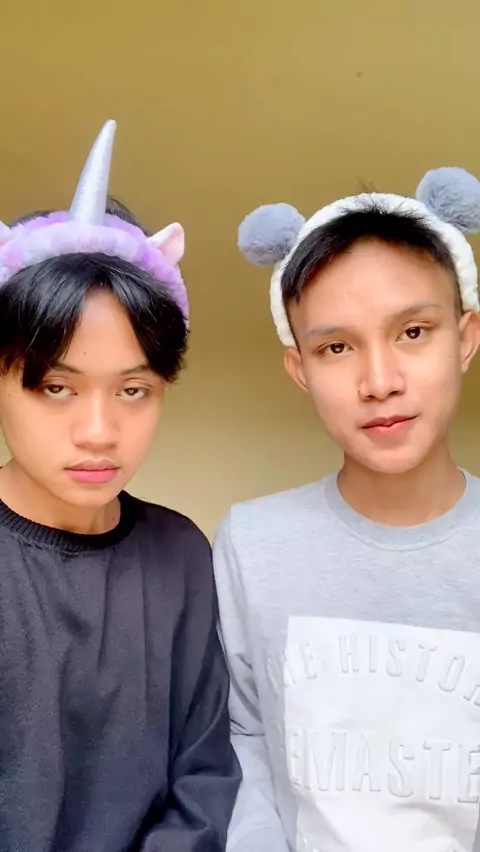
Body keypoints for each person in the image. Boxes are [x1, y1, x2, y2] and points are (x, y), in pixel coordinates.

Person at [213, 167, 480, 851]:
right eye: (336, 347)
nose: (379, 381)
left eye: (413, 332)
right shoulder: (252, 543)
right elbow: (245, 738)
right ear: (300, 369)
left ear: (465, 338)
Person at [0, 119, 240, 852]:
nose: (100, 431)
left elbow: (204, 776)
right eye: (56, 388)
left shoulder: (180, 554)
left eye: (133, 391)